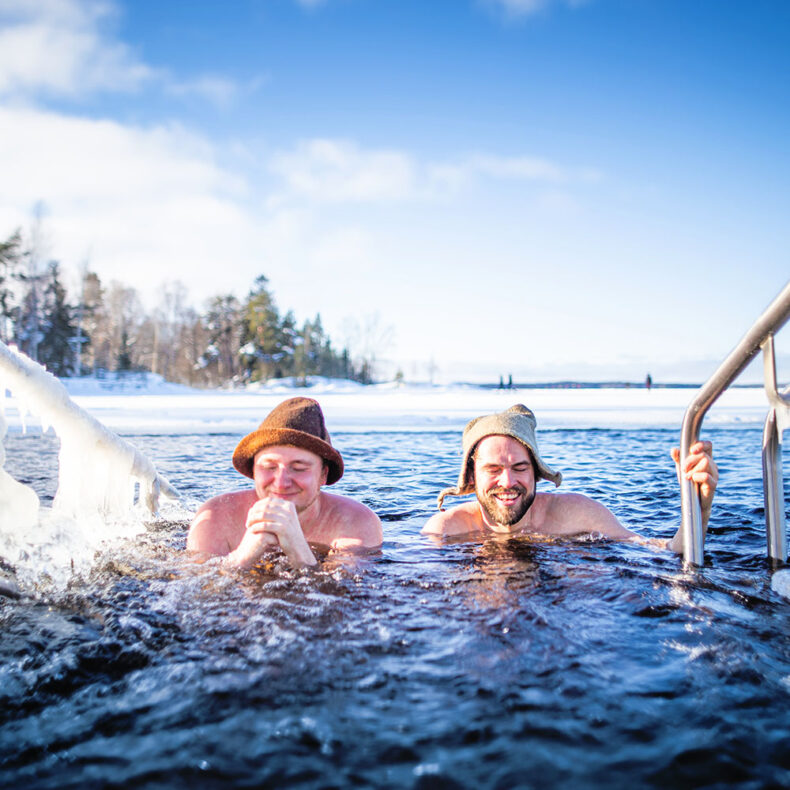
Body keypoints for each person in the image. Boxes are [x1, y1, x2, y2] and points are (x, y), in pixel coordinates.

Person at [422, 404, 718, 554]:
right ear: (471, 477)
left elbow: (664, 552)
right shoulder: (447, 531)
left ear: (537, 471)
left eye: (521, 468)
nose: (508, 481)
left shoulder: (578, 513)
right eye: (494, 470)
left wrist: (698, 508)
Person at [188, 397, 382, 569]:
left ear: (323, 474)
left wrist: (299, 551)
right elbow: (195, 594)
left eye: (299, 468)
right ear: (254, 470)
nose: (281, 483)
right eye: (269, 467)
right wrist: (241, 557)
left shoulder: (356, 523)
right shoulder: (216, 518)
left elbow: (345, 599)